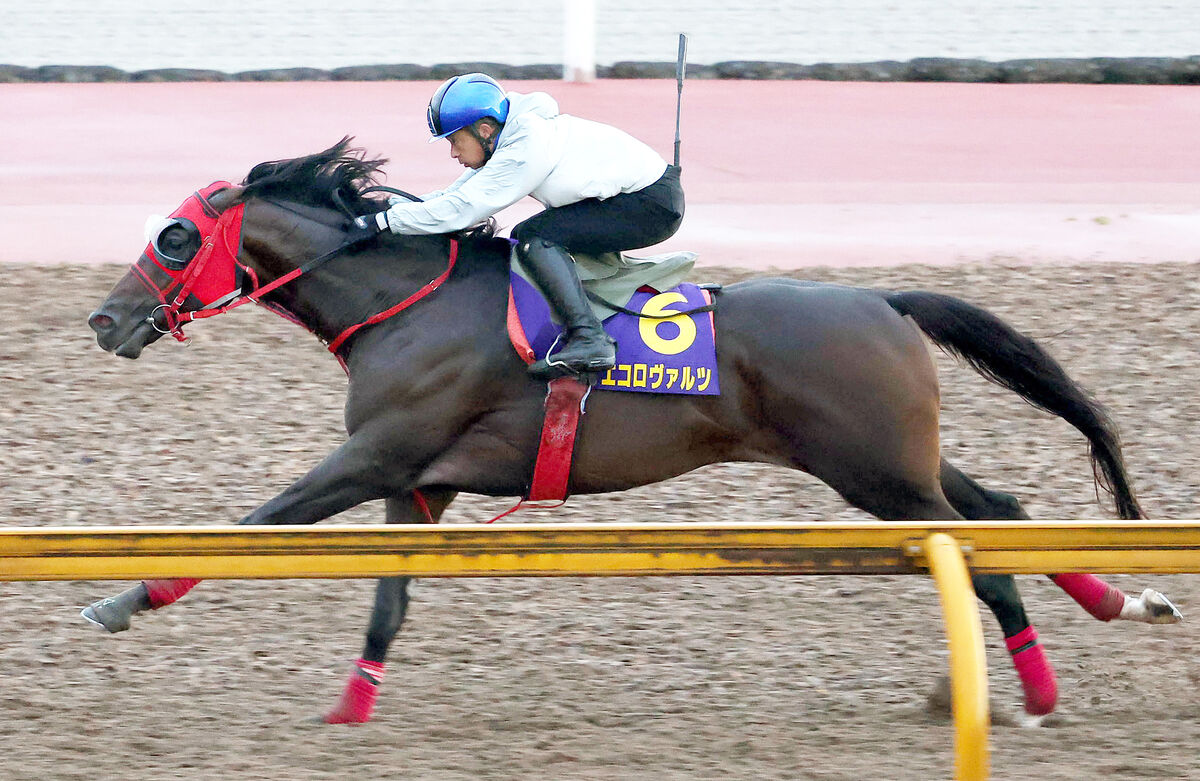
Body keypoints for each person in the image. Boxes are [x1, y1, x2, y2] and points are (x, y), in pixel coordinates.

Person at [349, 72, 685, 379]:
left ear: (484, 129)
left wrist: (384, 222)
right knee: (536, 233)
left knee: (534, 237)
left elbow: (466, 210)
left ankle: (590, 337)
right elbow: (459, 195)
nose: (453, 153)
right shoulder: (510, 136)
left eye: (455, 140)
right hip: (636, 197)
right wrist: (397, 207)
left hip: (651, 205)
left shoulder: (528, 144)